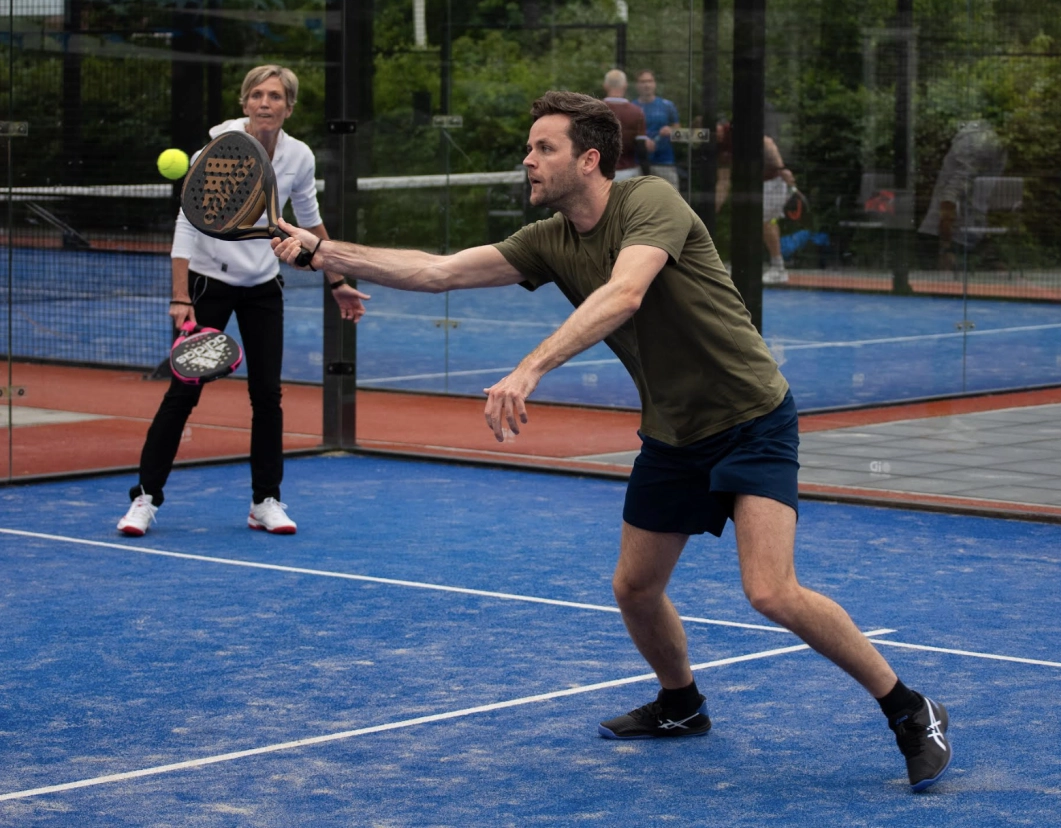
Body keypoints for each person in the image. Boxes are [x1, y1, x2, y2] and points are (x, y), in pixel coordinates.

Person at [271, 90, 952, 793]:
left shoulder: (649, 201)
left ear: (589, 159)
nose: (527, 160)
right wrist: (325, 251)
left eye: (543, 148)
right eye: (529, 148)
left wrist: (530, 368)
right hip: (673, 432)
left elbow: (625, 294)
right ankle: (682, 705)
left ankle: (909, 709)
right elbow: (438, 270)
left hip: (750, 415)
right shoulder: (546, 241)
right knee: (634, 587)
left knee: (770, 591)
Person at [116, 64, 369, 537]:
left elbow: (310, 225)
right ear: (244, 103)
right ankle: (145, 500)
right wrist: (180, 296)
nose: (265, 103)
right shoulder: (215, 151)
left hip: (262, 288)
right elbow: (187, 222)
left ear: (289, 108)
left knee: (267, 396)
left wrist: (337, 280)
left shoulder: (298, 156)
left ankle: (265, 501)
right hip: (208, 285)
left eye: (275, 96)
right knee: (182, 393)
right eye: (257, 95)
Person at [715, 121, 798, 283]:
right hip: (750, 185)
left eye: (714, 131)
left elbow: (767, 142)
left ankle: (778, 268)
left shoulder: (733, 129)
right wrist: (714, 207)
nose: (714, 136)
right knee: (744, 222)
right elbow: (724, 181)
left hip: (772, 181)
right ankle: (741, 265)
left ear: (717, 127)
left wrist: (782, 170)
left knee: (765, 222)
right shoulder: (718, 147)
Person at [918, 119, 1007, 272]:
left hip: (957, 226)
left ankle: (950, 257)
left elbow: (955, 188)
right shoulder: (989, 142)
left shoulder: (973, 142)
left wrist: (946, 247)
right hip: (965, 223)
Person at [601, 69, 654, 182]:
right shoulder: (637, 112)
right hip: (628, 172)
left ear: (605, 86)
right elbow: (641, 148)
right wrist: (647, 175)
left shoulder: (595, 110)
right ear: (625, 86)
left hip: (601, 172)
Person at [633, 69, 681, 189]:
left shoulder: (667, 105)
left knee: (671, 202)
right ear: (637, 85)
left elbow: (678, 131)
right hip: (639, 163)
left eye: (650, 81)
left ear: (655, 84)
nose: (646, 85)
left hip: (665, 162)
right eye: (643, 81)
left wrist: (670, 130)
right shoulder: (632, 107)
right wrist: (642, 141)